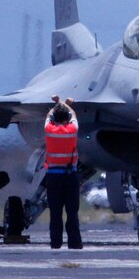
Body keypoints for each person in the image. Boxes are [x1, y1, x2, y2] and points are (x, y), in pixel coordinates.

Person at [44, 95, 82, 249]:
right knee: (72, 213)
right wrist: (66, 104)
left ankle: (55, 243)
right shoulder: (72, 130)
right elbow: (73, 115)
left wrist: (57, 103)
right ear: (66, 118)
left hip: (53, 178)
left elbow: (48, 116)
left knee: (55, 213)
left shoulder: (49, 130)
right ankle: (75, 244)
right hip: (70, 177)